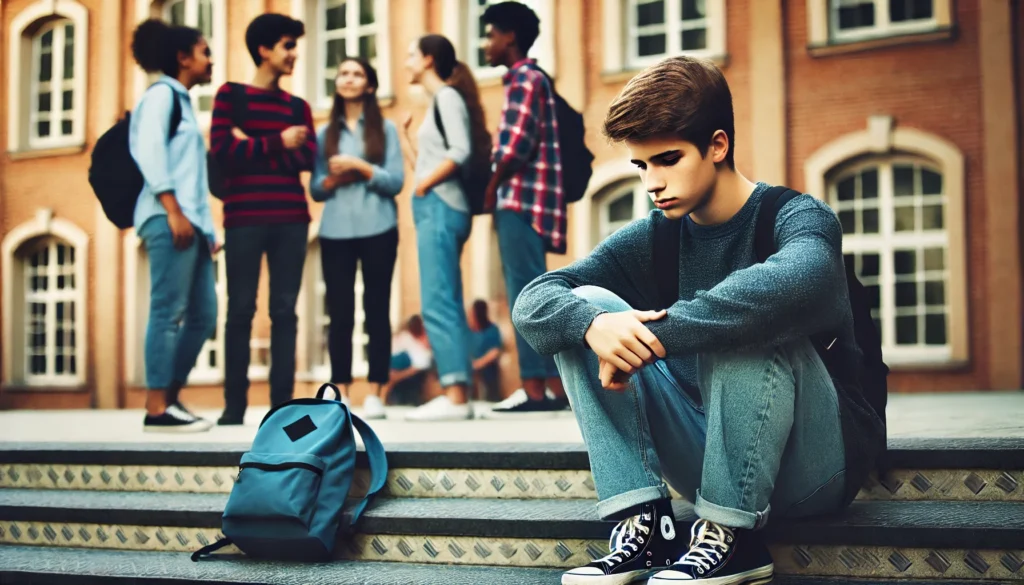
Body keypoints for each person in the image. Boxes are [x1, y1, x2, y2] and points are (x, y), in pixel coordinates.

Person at [511, 56, 886, 585]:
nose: (652, 183)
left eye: (667, 159)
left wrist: (657, 338)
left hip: (816, 465)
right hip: (707, 456)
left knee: (749, 313)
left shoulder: (798, 216)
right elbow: (534, 300)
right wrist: (596, 328)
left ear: (717, 145)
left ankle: (734, 540)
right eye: (641, 166)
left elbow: (802, 281)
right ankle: (645, 526)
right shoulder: (656, 234)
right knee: (585, 307)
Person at [209, 14, 317, 425]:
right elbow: (221, 151)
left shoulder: (298, 107)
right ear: (264, 50)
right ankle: (233, 409)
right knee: (239, 310)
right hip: (243, 219)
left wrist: (250, 144)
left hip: (291, 217)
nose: (294, 54)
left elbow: (308, 157)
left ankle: (281, 410)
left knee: (285, 311)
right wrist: (278, 142)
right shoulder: (230, 96)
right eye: (288, 45)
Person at [479, 2, 568, 417]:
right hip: (532, 202)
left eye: (490, 34)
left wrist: (490, 188)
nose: (486, 43)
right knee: (532, 291)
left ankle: (537, 390)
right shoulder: (530, 79)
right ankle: (551, 388)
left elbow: (514, 147)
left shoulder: (524, 79)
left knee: (525, 294)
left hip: (520, 201)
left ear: (509, 37)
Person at [398, 34, 492, 422]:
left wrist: (425, 185)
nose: (406, 61)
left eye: (410, 53)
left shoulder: (448, 98)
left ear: (429, 58)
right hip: (433, 203)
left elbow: (460, 152)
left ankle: (455, 396)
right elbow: (426, 164)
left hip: (440, 205)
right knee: (440, 297)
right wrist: (406, 137)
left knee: (440, 300)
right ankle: (457, 392)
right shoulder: (440, 101)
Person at [129, 19, 217, 432]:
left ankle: (170, 396)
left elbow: (193, 179)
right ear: (183, 58)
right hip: (168, 218)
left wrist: (207, 229)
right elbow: (149, 152)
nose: (211, 59)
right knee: (168, 310)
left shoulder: (183, 103)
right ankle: (157, 406)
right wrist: (173, 210)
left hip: (191, 223)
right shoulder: (161, 96)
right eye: (205, 51)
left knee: (204, 314)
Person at [310, 58, 404, 420]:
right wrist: (333, 179)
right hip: (334, 230)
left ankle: (377, 392)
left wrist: (360, 167)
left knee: (377, 310)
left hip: (379, 227)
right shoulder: (324, 134)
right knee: (340, 312)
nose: (348, 79)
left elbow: (394, 181)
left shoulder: (386, 129)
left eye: (357, 74)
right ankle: (342, 392)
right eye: (343, 73)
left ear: (369, 84)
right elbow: (316, 188)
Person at [383, 315, 433, 407]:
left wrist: (397, 376)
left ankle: (401, 398)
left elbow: (421, 363)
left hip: (409, 370)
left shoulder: (409, 339)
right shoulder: (406, 338)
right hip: (404, 367)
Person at [468, 299, 503, 403]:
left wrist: (478, 364)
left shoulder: (492, 329)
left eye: (471, 313)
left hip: (486, 366)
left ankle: (492, 400)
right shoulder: (469, 332)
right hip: (471, 366)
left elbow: (495, 352)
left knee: (489, 371)